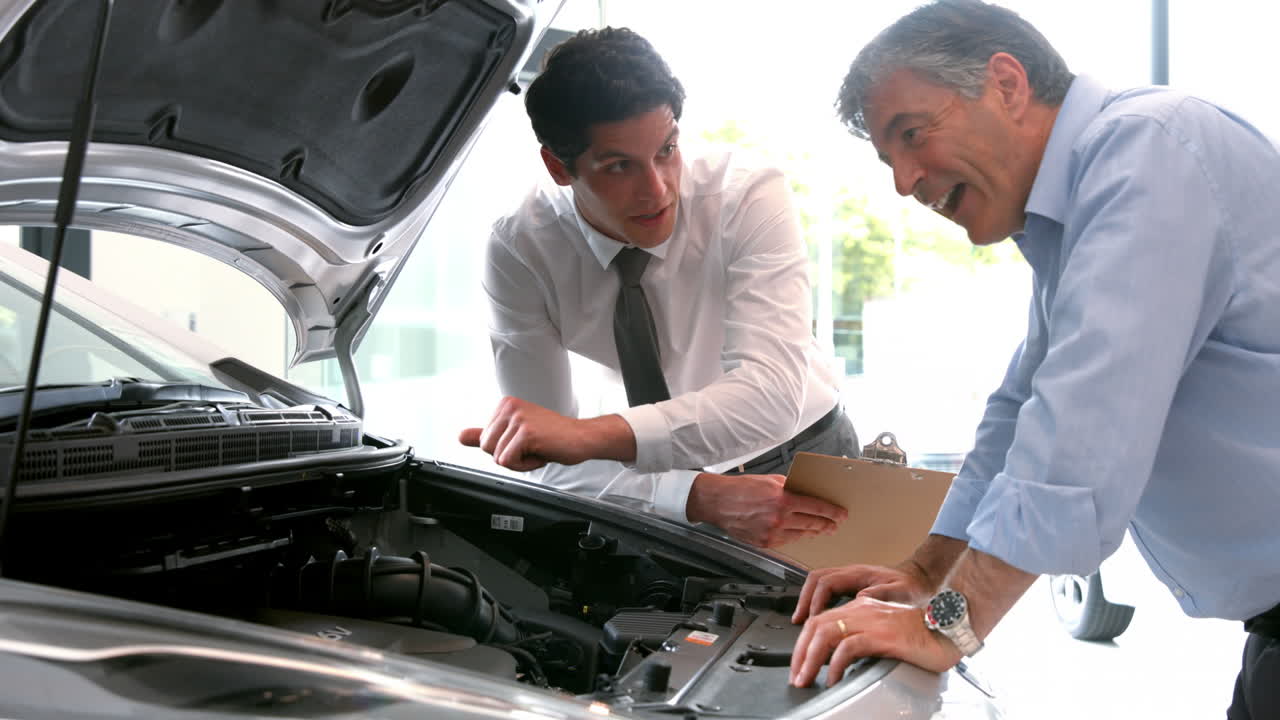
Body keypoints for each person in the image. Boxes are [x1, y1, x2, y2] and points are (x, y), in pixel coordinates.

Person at [785, 2, 1280, 716]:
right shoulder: (1082, 204)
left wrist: (947, 624)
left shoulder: (1147, 153)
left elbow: (1082, 432)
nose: (903, 183)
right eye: (888, 160)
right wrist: (926, 573)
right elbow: (1022, 414)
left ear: (1007, 84)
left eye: (912, 135)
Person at [457, 27, 860, 548]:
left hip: (804, 458)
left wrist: (581, 436)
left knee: (843, 627)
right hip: (652, 486)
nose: (658, 188)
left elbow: (771, 396)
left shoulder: (747, 196)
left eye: (667, 150)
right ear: (559, 167)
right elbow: (546, 459)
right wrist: (695, 496)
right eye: (619, 166)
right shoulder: (519, 247)